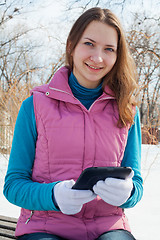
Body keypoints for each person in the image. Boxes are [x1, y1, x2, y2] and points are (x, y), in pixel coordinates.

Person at [3, 7, 143, 240]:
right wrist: (53, 195)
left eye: (109, 49)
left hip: (108, 227)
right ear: (71, 45)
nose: (97, 57)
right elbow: (13, 185)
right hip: (44, 227)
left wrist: (128, 193)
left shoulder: (127, 110)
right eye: (89, 44)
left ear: (118, 55)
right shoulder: (34, 106)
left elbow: (135, 182)